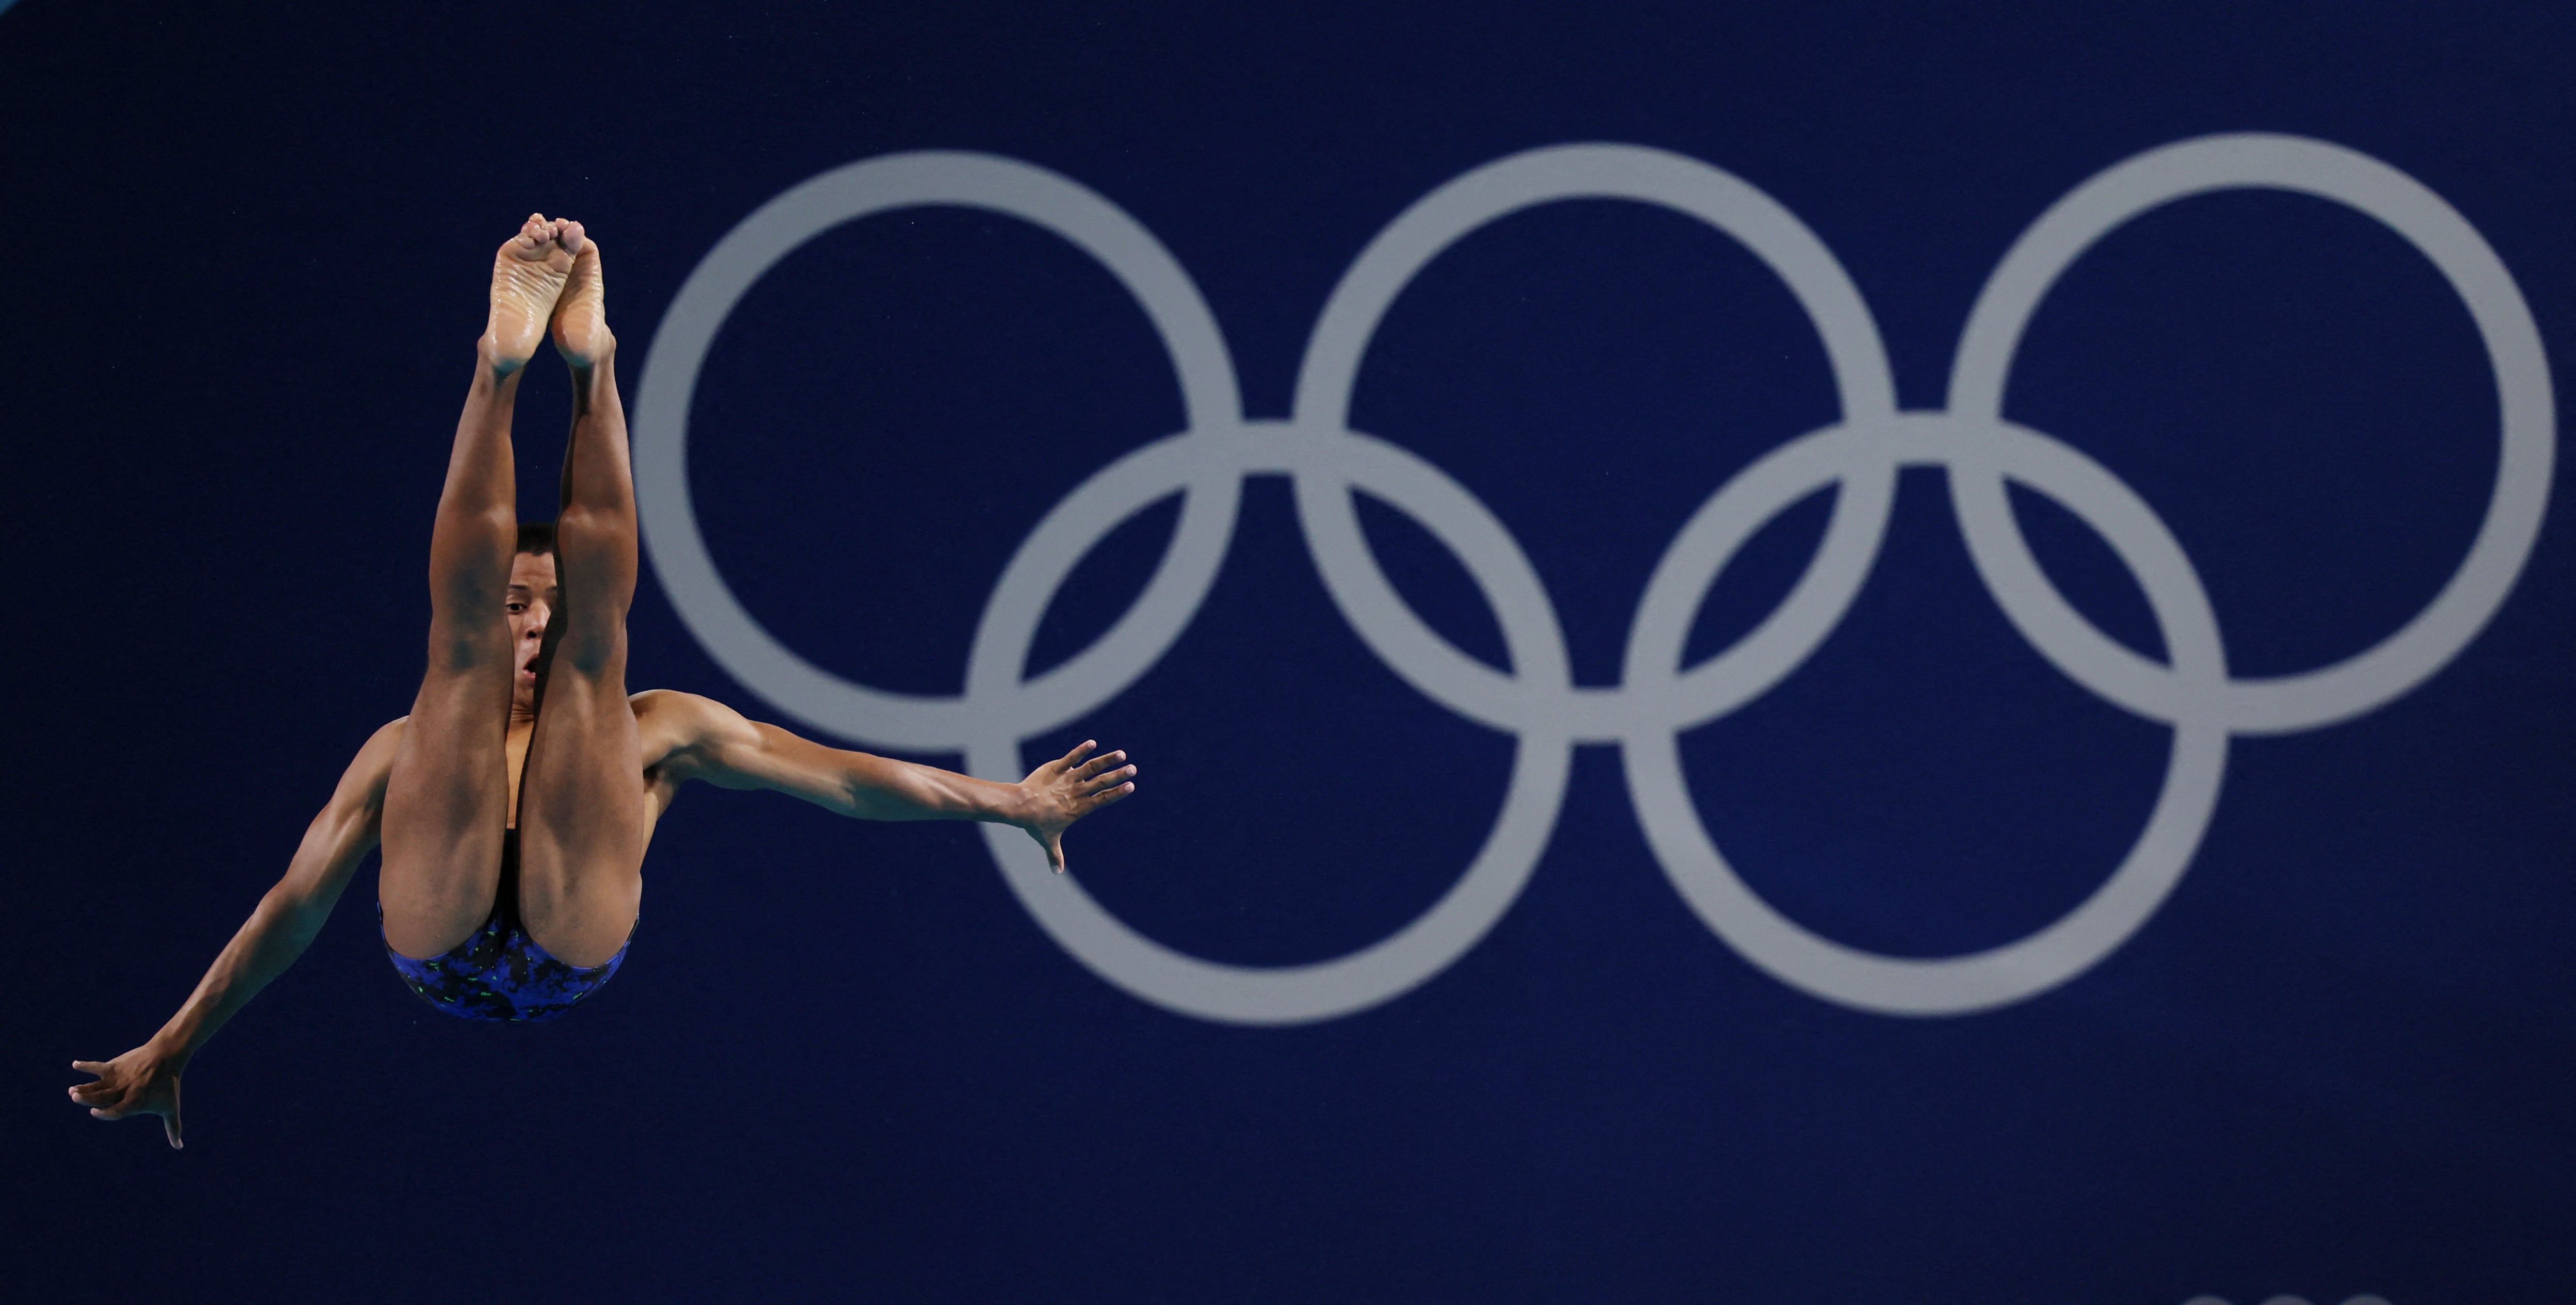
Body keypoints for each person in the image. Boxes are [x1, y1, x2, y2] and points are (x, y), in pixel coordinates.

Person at [68, 215, 1137, 1148]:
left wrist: (1010, 801)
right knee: (460, 655)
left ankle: (592, 368)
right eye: (520, 603)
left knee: (601, 662)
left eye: (544, 600)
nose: (531, 623)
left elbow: (838, 778)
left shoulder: (658, 725)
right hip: (437, 935)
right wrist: (175, 1041)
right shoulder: (407, 746)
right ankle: (500, 364)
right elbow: (293, 907)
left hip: (565, 944)